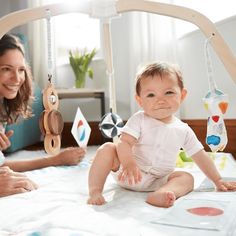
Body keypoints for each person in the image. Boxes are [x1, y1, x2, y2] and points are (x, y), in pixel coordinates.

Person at [87, 61, 236, 208]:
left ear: (182, 95)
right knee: (107, 148)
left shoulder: (183, 129)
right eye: (151, 95)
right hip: (128, 173)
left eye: (169, 92)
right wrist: (128, 163)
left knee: (187, 178)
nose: (160, 100)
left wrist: (217, 180)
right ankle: (95, 190)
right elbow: (124, 143)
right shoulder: (139, 119)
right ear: (139, 100)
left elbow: (200, 155)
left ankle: (164, 192)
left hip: (158, 180)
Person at [0, 34, 85, 197]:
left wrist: (56, 160)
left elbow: (2, 166)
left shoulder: (3, 106)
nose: (17, 78)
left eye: (21, 70)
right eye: (6, 69)